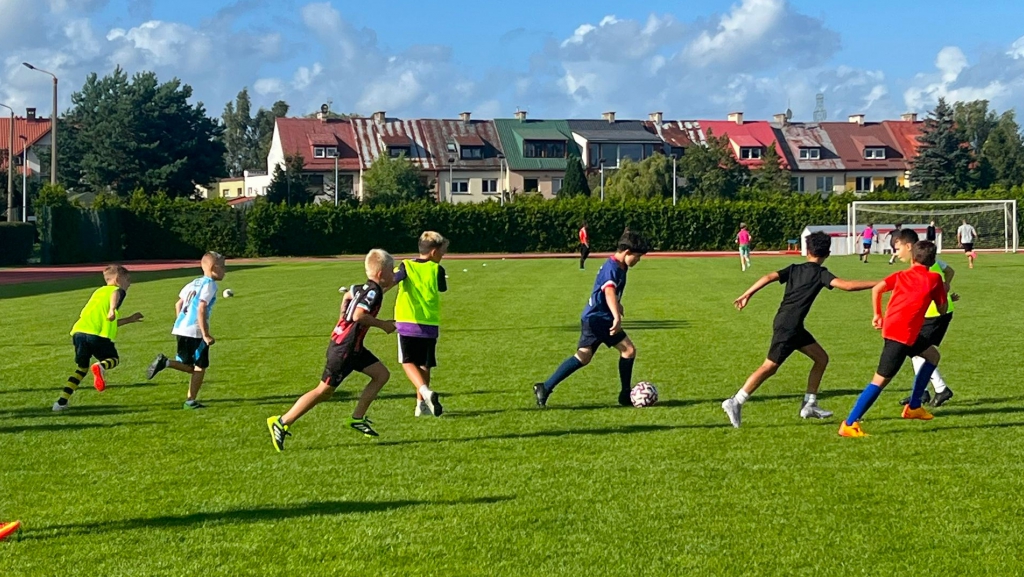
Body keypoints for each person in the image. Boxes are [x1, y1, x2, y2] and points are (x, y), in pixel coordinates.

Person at [722, 232, 878, 427]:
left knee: (821, 358)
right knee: (769, 367)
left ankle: (809, 405)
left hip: (790, 324)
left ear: (807, 251)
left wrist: (747, 294)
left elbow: (769, 276)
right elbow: (847, 286)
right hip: (789, 327)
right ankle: (735, 401)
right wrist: (880, 283)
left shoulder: (794, 268)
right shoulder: (821, 273)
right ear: (827, 253)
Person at [267, 250, 397, 450]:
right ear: (381, 273)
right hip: (344, 349)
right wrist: (383, 324)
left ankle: (357, 418)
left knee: (381, 375)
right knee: (323, 391)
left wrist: (342, 319)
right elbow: (359, 315)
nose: (393, 273)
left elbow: (347, 296)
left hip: (353, 348)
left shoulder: (363, 288)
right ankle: (282, 422)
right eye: (391, 270)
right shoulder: (373, 292)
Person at [839, 232, 948, 438]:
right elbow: (942, 310)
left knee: (933, 356)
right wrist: (943, 291)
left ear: (913, 258)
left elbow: (877, 289)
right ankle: (849, 423)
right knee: (880, 380)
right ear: (933, 261)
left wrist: (877, 314)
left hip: (900, 329)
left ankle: (914, 406)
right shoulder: (935, 279)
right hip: (901, 335)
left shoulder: (900, 275)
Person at [534, 228, 650, 407]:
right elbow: (609, 291)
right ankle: (625, 395)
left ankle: (545, 387)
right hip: (599, 319)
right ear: (627, 252)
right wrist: (616, 316)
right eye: (638, 256)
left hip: (592, 317)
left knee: (583, 356)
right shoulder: (612, 268)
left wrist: (618, 304)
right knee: (628, 350)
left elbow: (609, 292)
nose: (638, 260)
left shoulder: (620, 266)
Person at [53, 265, 144, 412]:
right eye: (128, 280)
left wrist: (129, 319)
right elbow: (116, 293)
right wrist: (112, 309)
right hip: (96, 335)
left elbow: (108, 321)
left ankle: (61, 402)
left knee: (81, 369)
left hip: (79, 333)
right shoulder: (116, 291)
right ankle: (100, 367)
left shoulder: (98, 292)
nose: (129, 284)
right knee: (113, 359)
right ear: (118, 279)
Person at [145, 252, 226, 409]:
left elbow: (178, 304)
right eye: (223, 267)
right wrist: (205, 334)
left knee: (189, 366)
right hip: (195, 331)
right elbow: (201, 308)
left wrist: (181, 323)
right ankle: (190, 401)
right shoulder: (210, 284)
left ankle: (166, 362)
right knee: (200, 367)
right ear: (214, 268)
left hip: (181, 328)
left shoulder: (194, 283)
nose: (225, 271)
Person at [394, 231, 448, 417]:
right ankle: (421, 406)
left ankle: (425, 392)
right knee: (425, 364)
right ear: (433, 252)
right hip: (429, 323)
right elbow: (442, 288)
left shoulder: (406, 265)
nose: (443, 255)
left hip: (407, 321)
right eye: (442, 252)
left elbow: (394, 279)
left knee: (407, 361)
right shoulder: (437, 269)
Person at [900, 258, 959, 407]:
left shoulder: (920, 265)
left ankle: (940, 389)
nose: (896, 253)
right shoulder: (932, 260)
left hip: (933, 314)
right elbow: (950, 271)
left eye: (898, 248)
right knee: (916, 352)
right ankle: (921, 392)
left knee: (920, 351)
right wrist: (946, 286)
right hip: (936, 311)